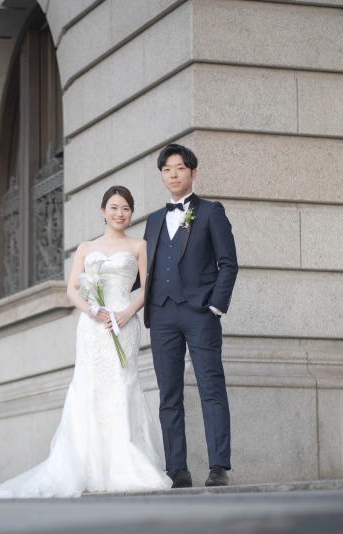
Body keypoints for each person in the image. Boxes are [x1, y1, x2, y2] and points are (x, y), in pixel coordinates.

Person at [0, 186, 171, 500]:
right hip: (92, 328)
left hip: (124, 324)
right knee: (90, 387)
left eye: (126, 209)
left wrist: (126, 312)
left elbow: (148, 288)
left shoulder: (138, 245)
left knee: (122, 385)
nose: (120, 214)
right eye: (114, 207)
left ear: (131, 213)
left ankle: (124, 465)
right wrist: (94, 311)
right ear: (102, 210)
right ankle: (88, 466)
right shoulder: (85, 247)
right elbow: (72, 291)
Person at [142, 143, 238, 488]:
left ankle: (219, 467)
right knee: (169, 395)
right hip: (162, 316)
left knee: (211, 386)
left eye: (179, 168)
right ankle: (176, 469)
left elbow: (228, 263)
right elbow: (145, 271)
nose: (173, 174)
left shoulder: (211, 212)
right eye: (167, 169)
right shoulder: (153, 221)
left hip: (200, 314)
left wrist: (215, 306)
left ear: (192, 172)